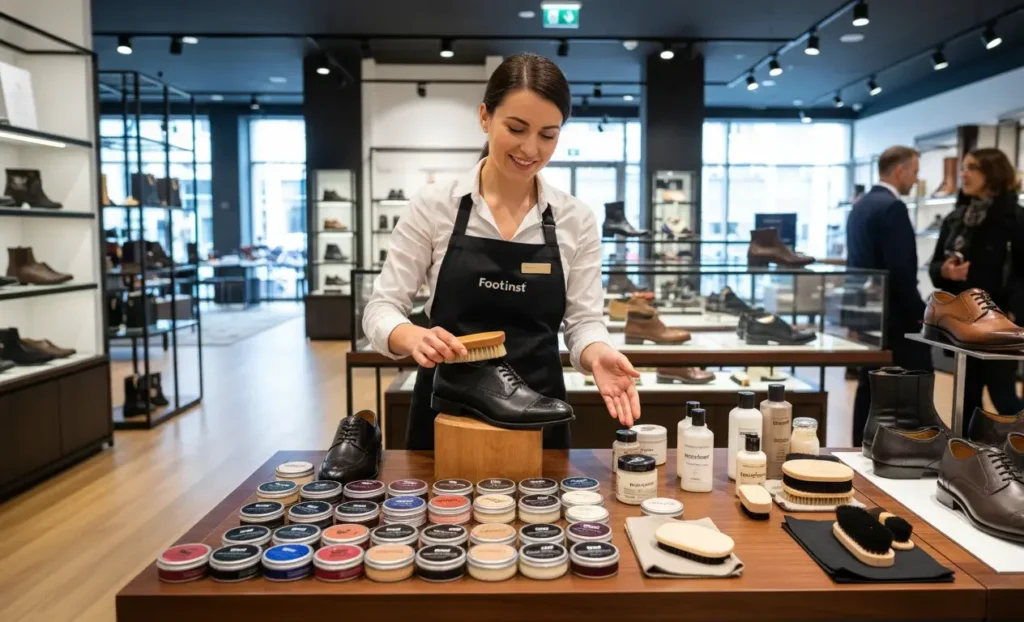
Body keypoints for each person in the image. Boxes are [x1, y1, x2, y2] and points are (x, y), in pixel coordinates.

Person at [362, 53, 641, 450]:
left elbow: (582, 322)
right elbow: (381, 308)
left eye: (548, 135)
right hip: (447, 409)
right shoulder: (434, 205)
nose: (531, 148)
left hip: (539, 406)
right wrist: (409, 336)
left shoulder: (575, 218)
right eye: (516, 128)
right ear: (484, 118)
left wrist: (598, 354)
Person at [929, 148, 1024, 428]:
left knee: (1003, 394)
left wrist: (1016, 315)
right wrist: (945, 271)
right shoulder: (957, 219)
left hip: (1001, 324)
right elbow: (935, 266)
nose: (963, 174)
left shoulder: (1016, 220)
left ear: (992, 173)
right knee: (966, 396)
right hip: (964, 322)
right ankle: (969, 457)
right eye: (963, 168)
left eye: (972, 168)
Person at [847, 146, 933, 446]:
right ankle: (907, 448)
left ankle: (862, 444)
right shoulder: (892, 207)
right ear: (900, 171)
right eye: (915, 172)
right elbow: (900, 270)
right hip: (894, 317)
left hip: (868, 313)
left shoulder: (861, 205)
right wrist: (920, 311)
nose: (916, 179)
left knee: (869, 384)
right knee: (911, 385)